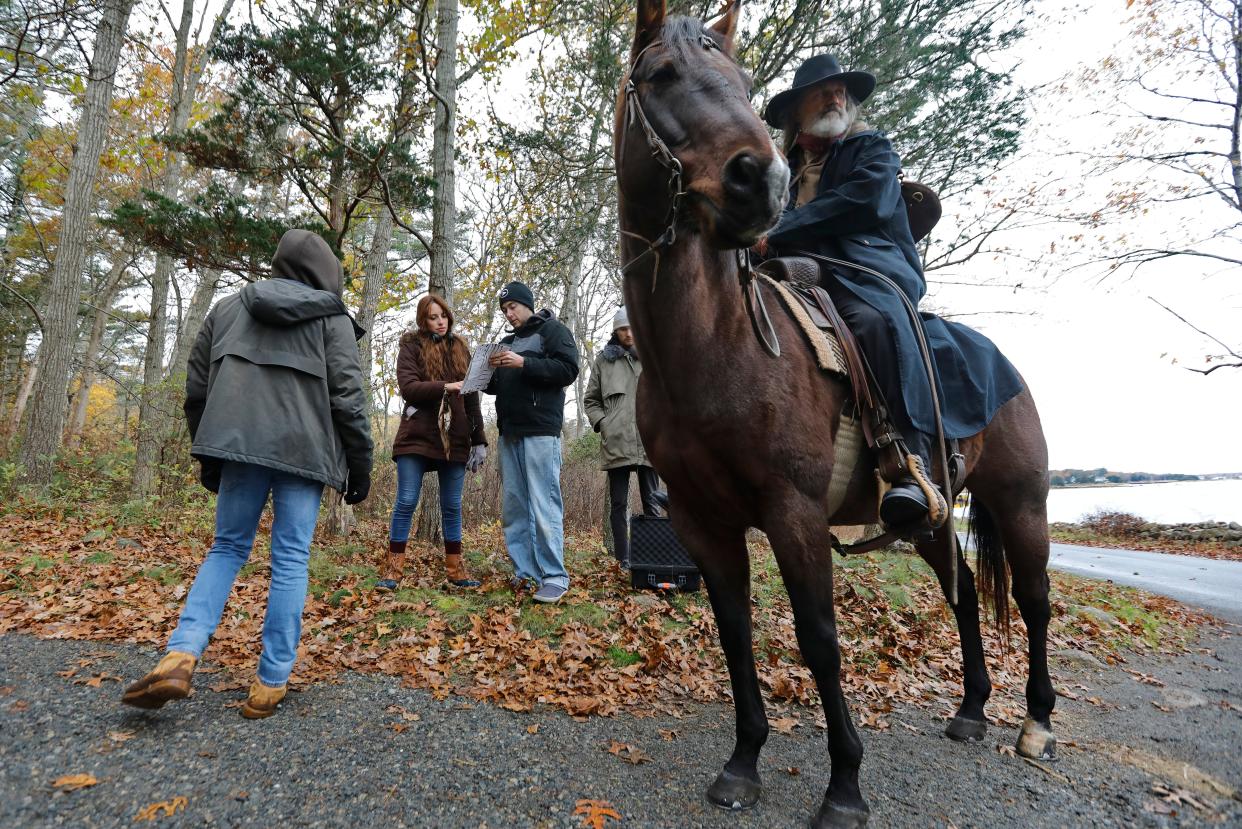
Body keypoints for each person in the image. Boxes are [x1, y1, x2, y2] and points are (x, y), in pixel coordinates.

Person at [759, 54, 1024, 535]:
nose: (836, 97)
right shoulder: (783, 170)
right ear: (796, 110)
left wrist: (781, 227)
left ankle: (906, 461)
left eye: (841, 91)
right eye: (822, 91)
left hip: (864, 272)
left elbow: (865, 201)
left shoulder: (872, 148)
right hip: (794, 273)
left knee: (874, 322)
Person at [122, 229, 373, 719]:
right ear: (328, 275)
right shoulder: (332, 318)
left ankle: (180, 655)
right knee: (291, 558)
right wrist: (358, 464)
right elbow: (348, 397)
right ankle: (270, 684)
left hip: (238, 444)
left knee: (228, 547)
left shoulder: (228, 308)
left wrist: (211, 451)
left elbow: (197, 388)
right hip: (304, 452)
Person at [377, 294, 487, 592]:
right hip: (417, 434)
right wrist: (446, 387)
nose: (440, 321)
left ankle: (456, 570)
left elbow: (473, 398)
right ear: (423, 320)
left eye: (443, 316)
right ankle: (393, 570)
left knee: (451, 505)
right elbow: (409, 388)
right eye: (432, 317)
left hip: (456, 436)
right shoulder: (411, 346)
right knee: (407, 500)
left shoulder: (462, 348)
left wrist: (479, 441)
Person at [484, 281, 580, 604]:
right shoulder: (506, 342)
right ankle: (525, 573)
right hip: (508, 433)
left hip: (541, 431)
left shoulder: (552, 331)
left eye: (512, 307)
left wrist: (523, 362)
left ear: (527, 304)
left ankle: (554, 576)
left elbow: (568, 369)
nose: (509, 314)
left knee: (543, 503)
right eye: (504, 310)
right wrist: (483, 373)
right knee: (514, 507)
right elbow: (496, 385)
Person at [583, 306, 661, 569]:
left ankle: (652, 557)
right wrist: (604, 424)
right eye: (623, 328)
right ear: (615, 331)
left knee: (652, 501)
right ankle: (623, 559)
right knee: (618, 504)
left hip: (650, 441)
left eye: (632, 327)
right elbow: (590, 400)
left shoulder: (654, 356)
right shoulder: (604, 361)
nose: (628, 333)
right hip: (616, 441)